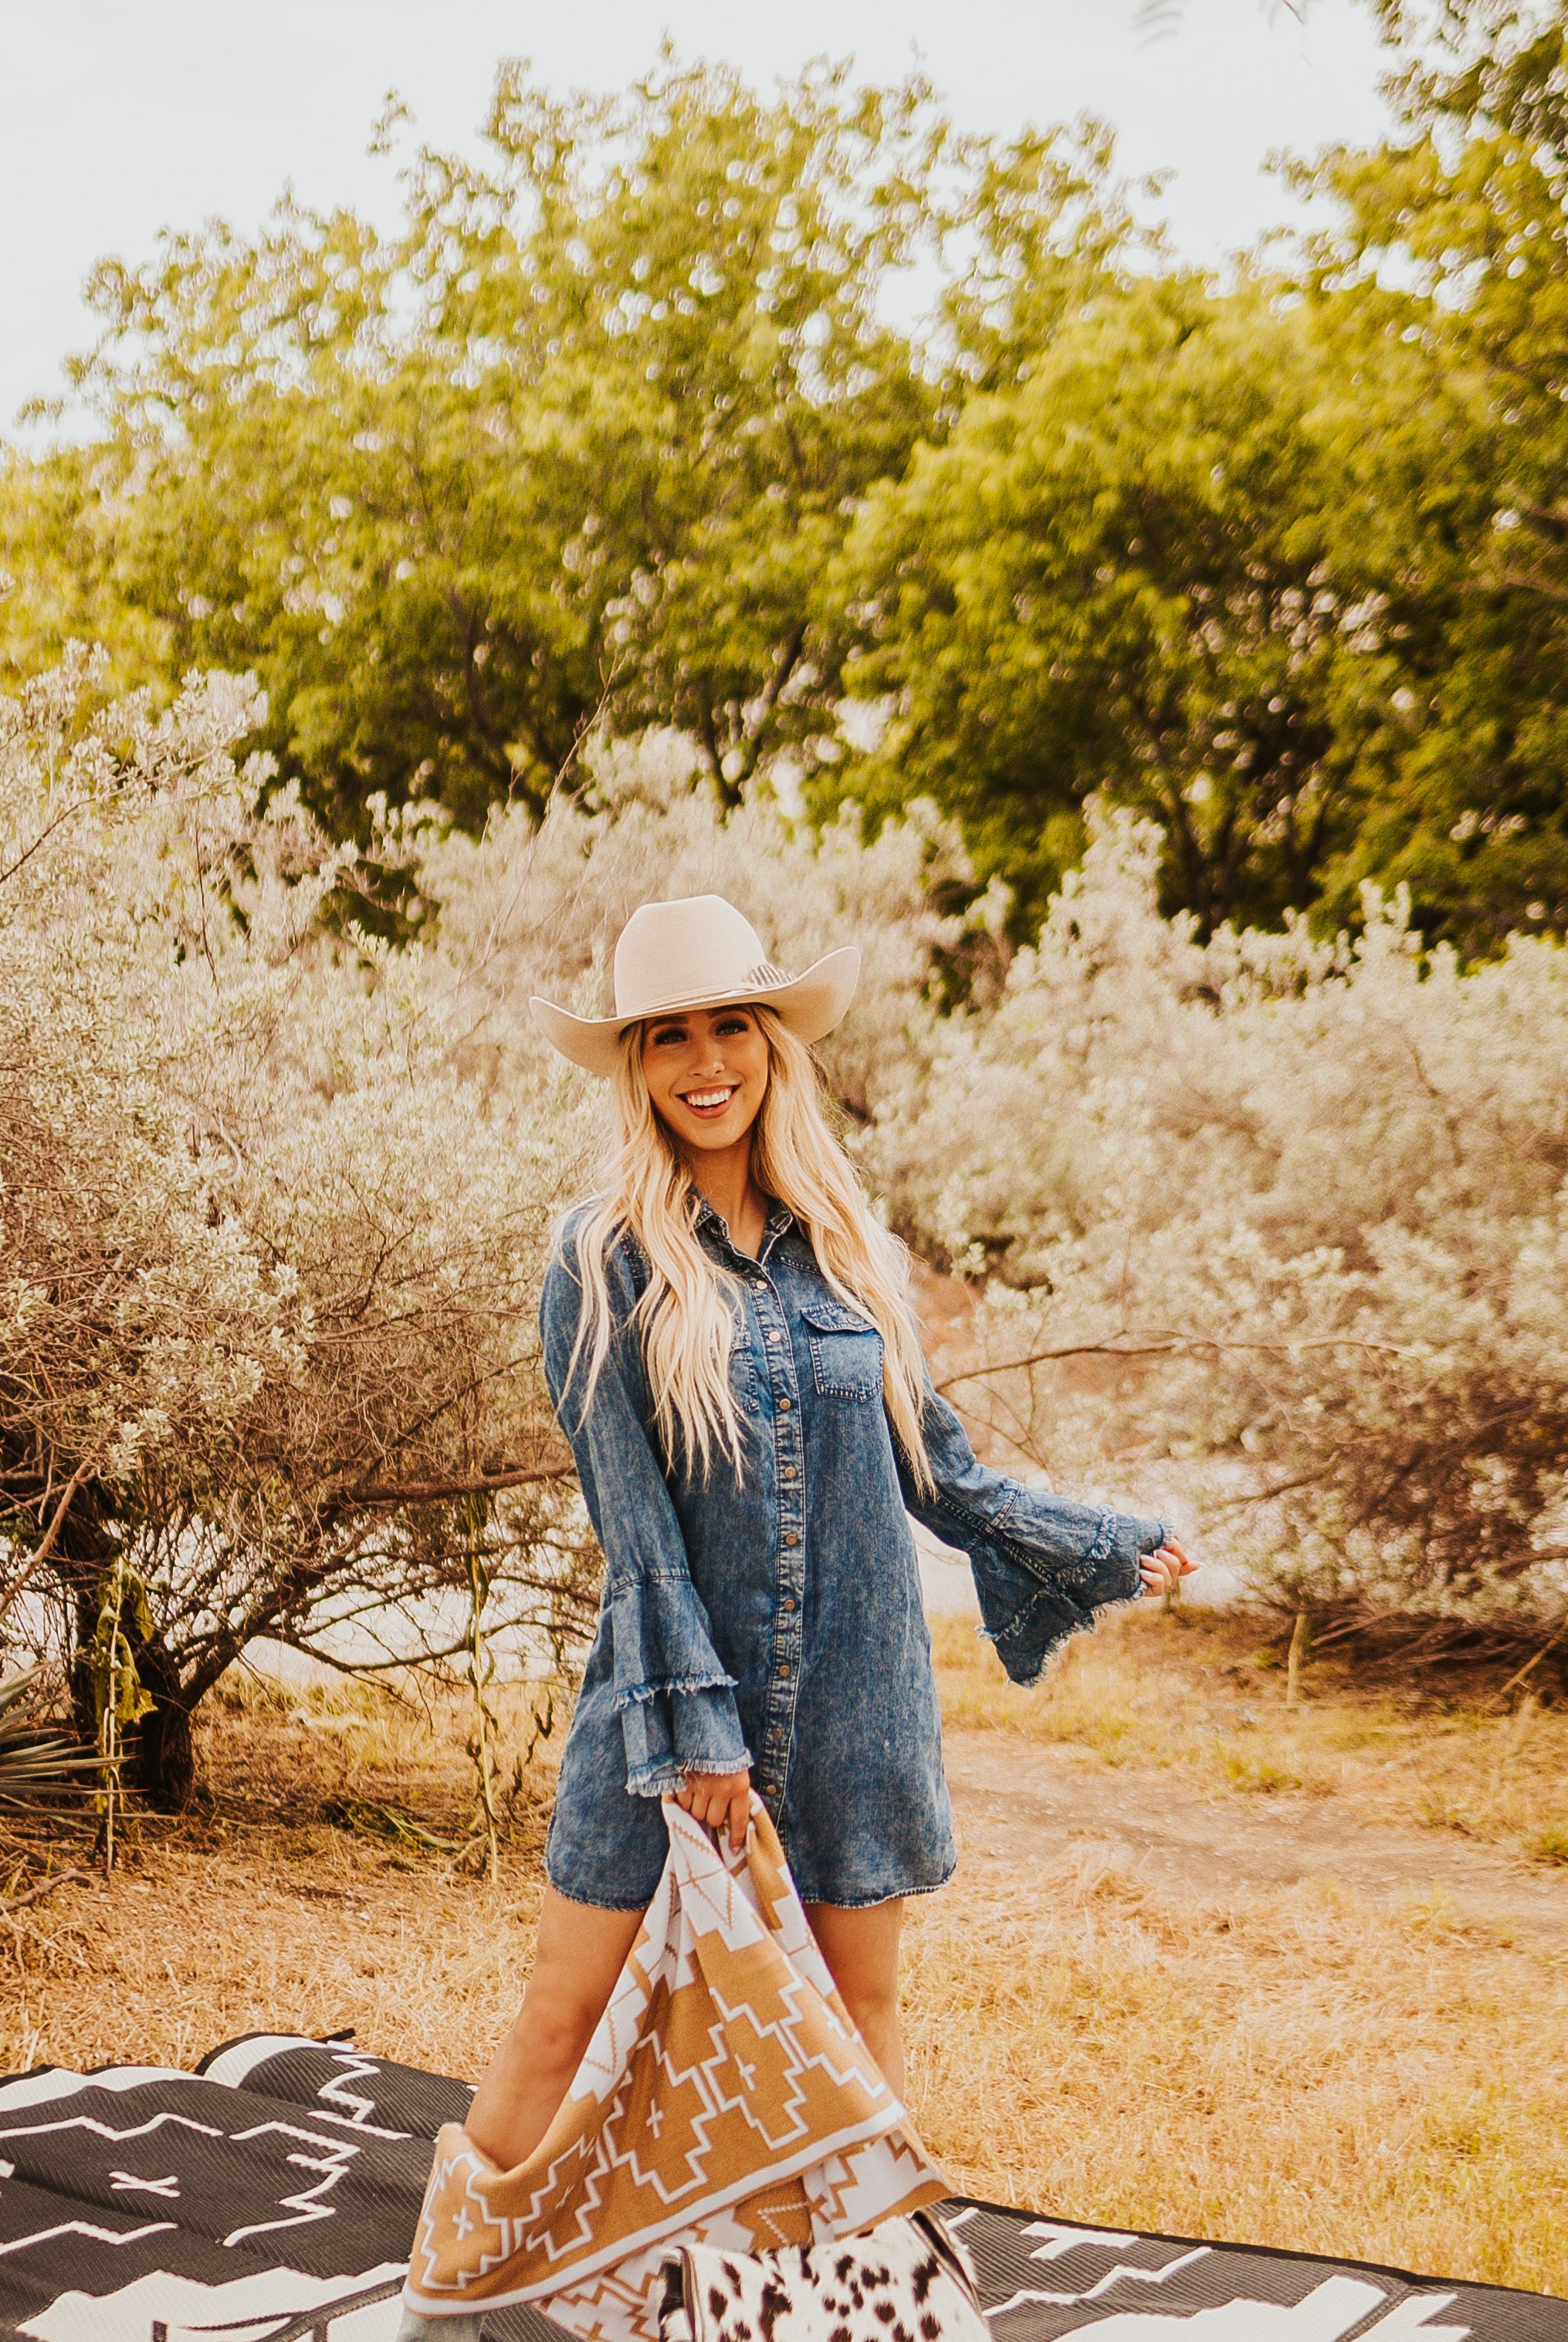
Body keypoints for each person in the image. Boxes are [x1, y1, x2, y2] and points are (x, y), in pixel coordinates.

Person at [472, 893, 1191, 2165]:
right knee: (561, 2017)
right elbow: (634, 1528)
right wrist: (703, 1730)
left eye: (731, 1027)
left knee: (854, 2022)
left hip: (860, 1706)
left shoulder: (853, 1254)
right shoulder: (601, 1259)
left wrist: (1103, 1545)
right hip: (669, 1709)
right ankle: (438, 2340)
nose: (707, 1065)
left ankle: (850, 2333)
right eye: (669, 1036)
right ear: (635, 1065)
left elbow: (945, 1476)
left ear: (773, 1043)